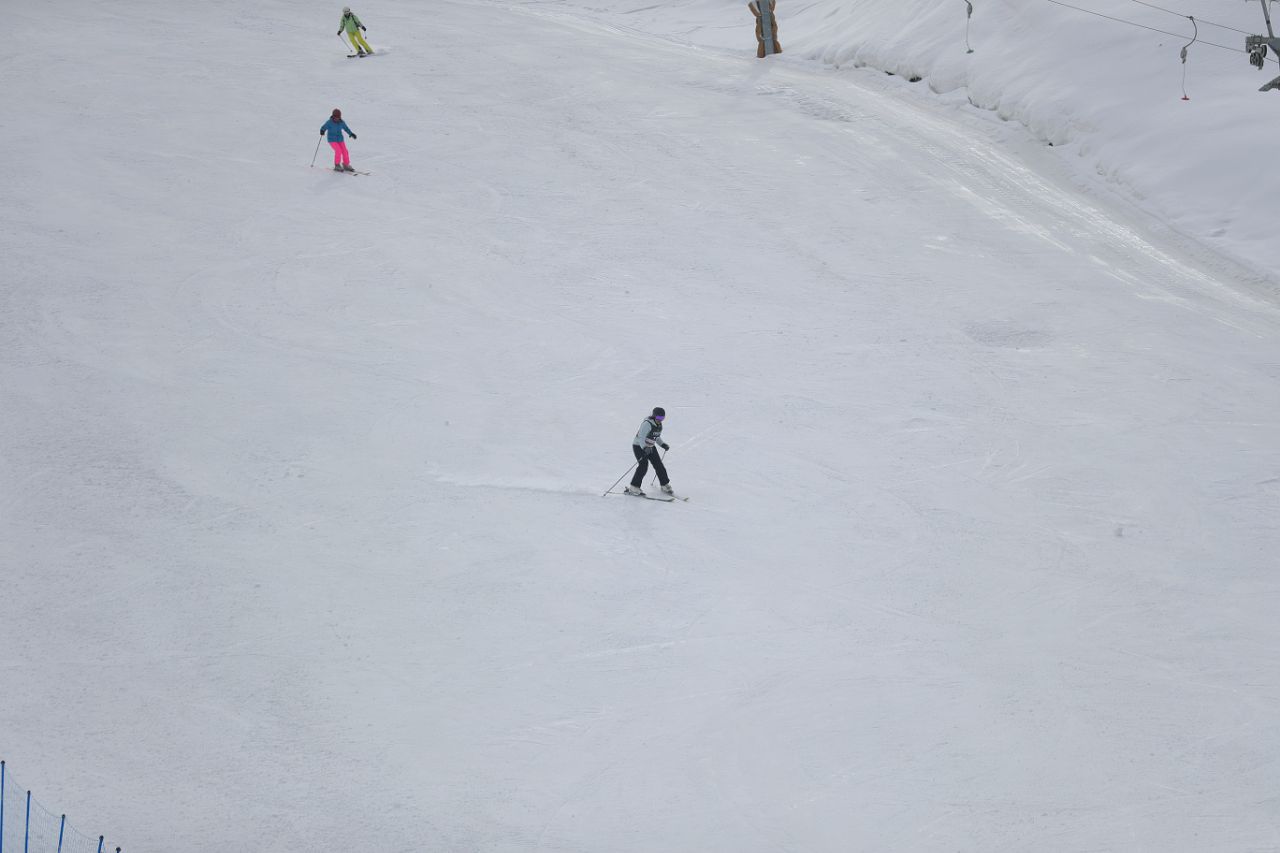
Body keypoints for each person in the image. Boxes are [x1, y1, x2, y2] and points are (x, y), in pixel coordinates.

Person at [626, 407, 672, 496]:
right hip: (639, 446)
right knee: (643, 465)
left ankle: (664, 484)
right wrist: (644, 447)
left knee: (659, 465)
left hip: (650, 446)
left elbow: (656, 437)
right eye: (658, 417)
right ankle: (634, 487)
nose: (660, 420)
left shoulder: (659, 425)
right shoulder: (647, 424)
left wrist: (663, 444)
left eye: (662, 418)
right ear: (654, 416)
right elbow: (641, 437)